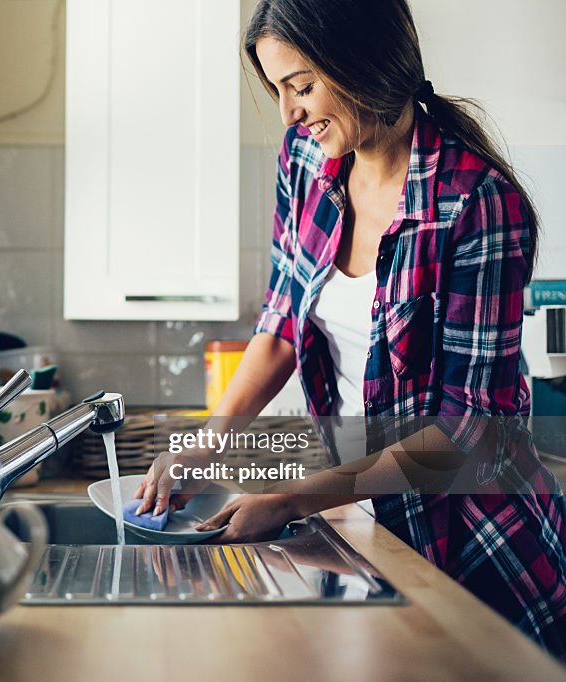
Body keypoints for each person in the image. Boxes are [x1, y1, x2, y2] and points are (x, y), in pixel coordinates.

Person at [135, 0, 566, 660]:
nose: (289, 113)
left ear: (362, 64)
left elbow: (464, 434)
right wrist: (207, 444)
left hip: (477, 543)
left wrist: (291, 498)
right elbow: (281, 320)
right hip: (360, 519)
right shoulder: (306, 161)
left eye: (301, 86)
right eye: (278, 91)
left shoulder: (477, 202)